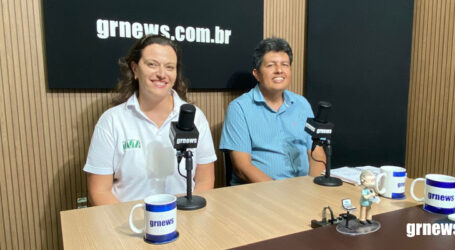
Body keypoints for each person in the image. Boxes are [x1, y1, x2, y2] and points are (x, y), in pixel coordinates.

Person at [84, 35, 217, 205]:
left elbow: (205, 181)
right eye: (152, 64)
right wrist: (132, 224)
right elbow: (99, 190)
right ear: (135, 69)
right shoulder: (112, 121)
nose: (162, 74)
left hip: (184, 220)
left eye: (169, 67)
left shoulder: (195, 117)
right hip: (129, 224)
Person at [219, 37, 326, 185]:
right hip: (260, 194)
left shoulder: (302, 104)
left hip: (303, 191)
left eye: (285, 65)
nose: (279, 70)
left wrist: (313, 188)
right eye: (271, 65)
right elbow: (242, 167)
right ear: (256, 74)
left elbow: (316, 153)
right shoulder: (239, 108)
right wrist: (279, 195)